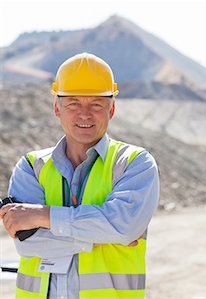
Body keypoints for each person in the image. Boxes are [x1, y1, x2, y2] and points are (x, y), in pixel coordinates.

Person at [0, 52, 160, 299]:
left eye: (96, 104)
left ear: (112, 108)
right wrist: (102, 238)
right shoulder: (32, 166)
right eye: (73, 103)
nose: (84, 114)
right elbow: (28, 244)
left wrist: (42, 215)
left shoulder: (134, 163)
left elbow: (123, 226)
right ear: (57, 108)